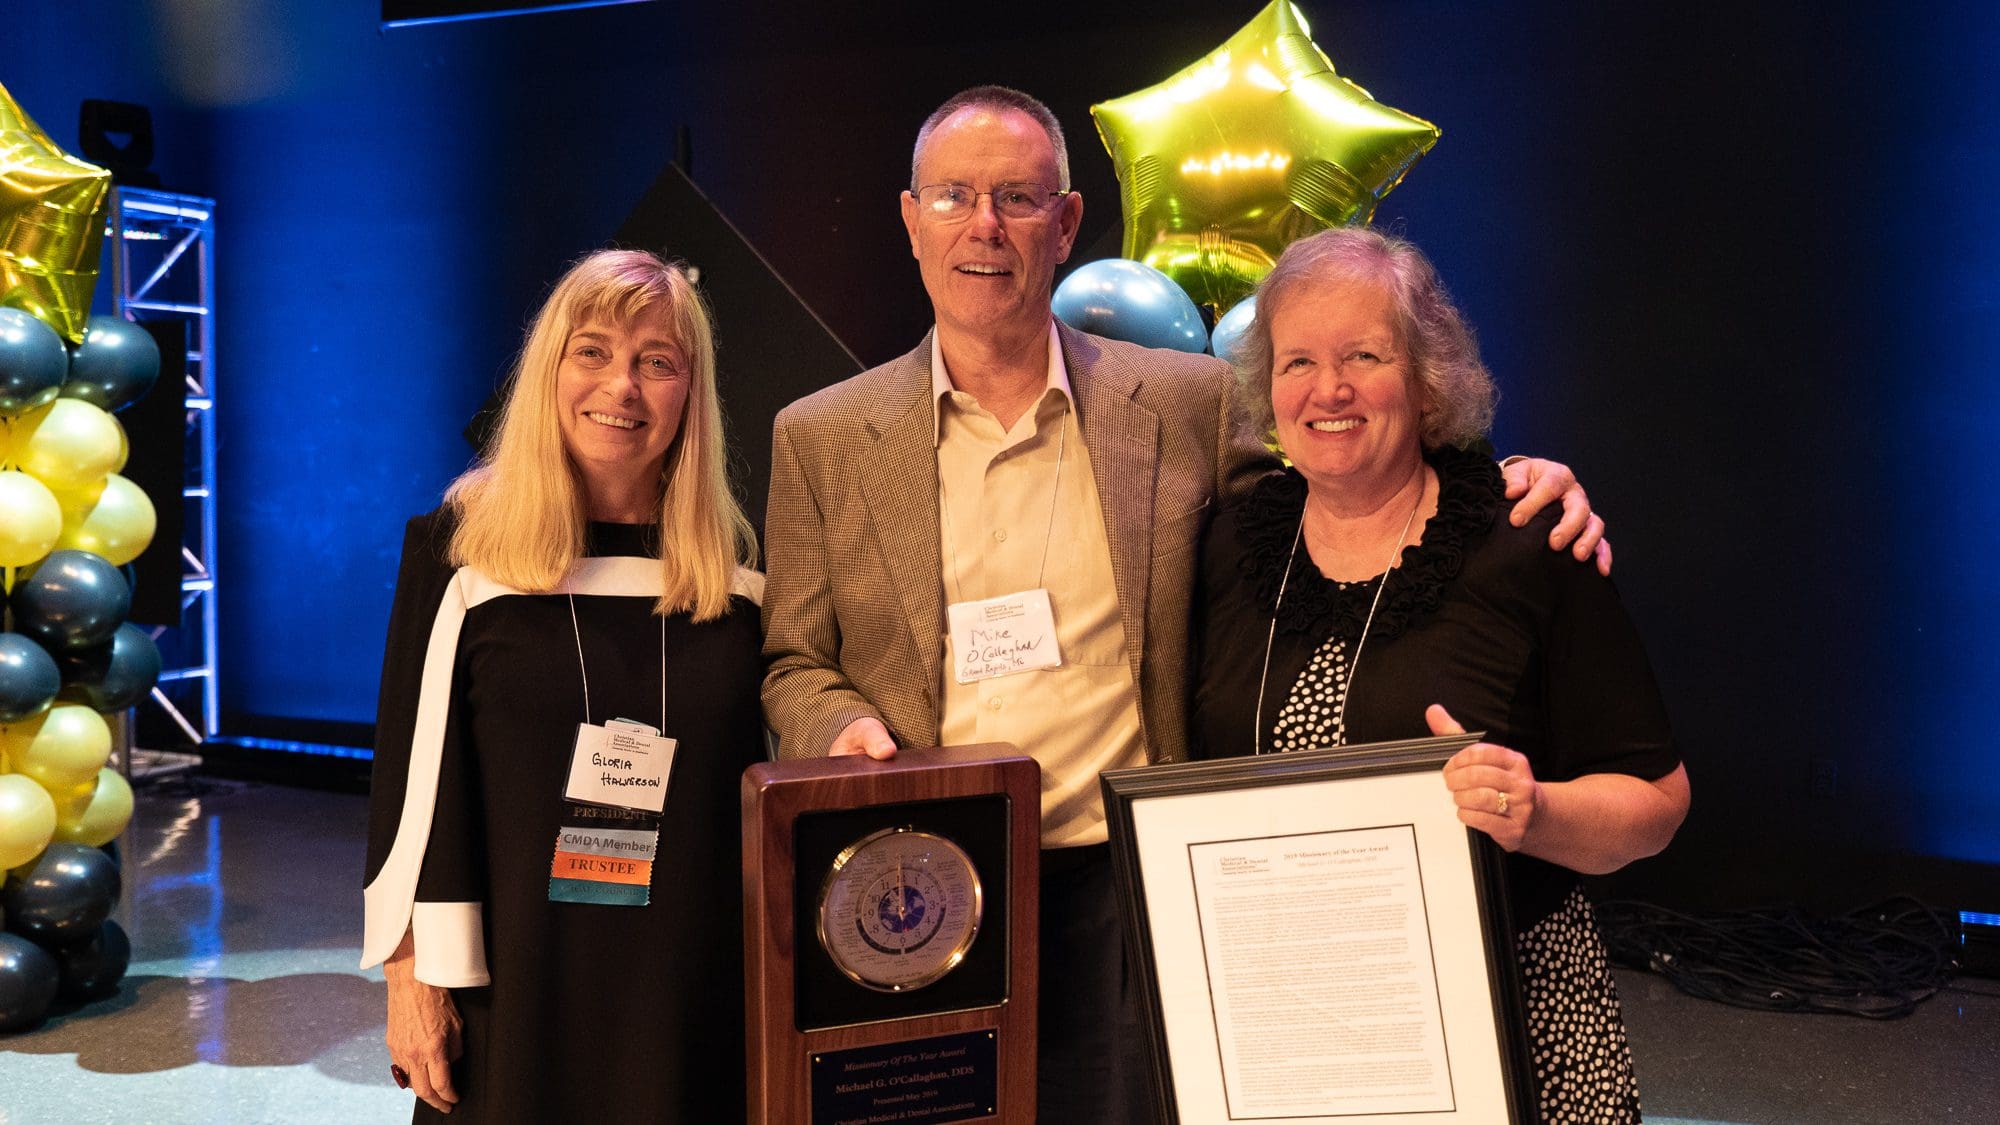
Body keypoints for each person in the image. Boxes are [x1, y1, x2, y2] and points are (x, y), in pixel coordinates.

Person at [760, 86, 1609, 1122]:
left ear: (1066, 224)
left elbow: (1343, 467)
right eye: (954, 197)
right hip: (926, 885)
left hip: (1135, 886)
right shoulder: (819, 436)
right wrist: (839, 725)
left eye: (1018, 199)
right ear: (910, 218)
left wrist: (1507, 481)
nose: (984, 227)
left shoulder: (1184, 401)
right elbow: (791, 658)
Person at [1191, 226, 1690, 1122]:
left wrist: (1535, 810)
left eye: (1364, 355)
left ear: (1427, 382)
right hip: (1285, 1030)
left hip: (1512, 1024)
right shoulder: (1231, 545)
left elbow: (1658, 803)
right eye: (1297, 360)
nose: (1328, 388)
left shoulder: (1528, 538)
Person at [360, 250, 764, 1120]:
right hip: (515, 983)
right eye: (594, 352)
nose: (622, 386)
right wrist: (409, 977)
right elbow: (411, 783)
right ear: (550, 369)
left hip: (689, 991)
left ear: (691, 394)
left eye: (657, 362)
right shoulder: (460, 550)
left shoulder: (737, 575)